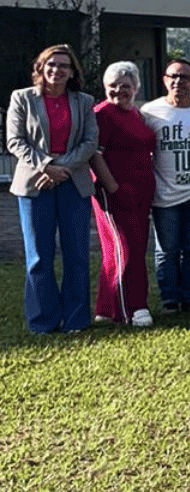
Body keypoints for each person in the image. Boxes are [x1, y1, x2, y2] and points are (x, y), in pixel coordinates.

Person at [9, 46, 99, 333]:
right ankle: (43, 322)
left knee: (77, 254)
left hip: (73, 183)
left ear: (72, 71)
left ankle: (76, 320)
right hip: (35, 185)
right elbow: (15, 140)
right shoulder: (22, 98)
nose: (57, 70)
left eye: (63, 65)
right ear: (41, 67)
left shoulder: (83, 101)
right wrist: (47, 166)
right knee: (38, 256)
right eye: (51, 64)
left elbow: (89, 141)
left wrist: (63, 169)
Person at [81, 60, 155, 327]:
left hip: (141, 192)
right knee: (125, 249)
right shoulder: (102, 113)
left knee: (127, 249)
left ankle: (106, 308)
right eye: (112, 86)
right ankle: (131, 309)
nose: (118, 91)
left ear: (135, 87)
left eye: (125, 86)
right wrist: (113, 188)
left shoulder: (136, 114)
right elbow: (94, 155)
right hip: (114, 192)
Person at [143, 59, 190, 316]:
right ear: (164, 80)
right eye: (173, 76)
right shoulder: (150, 112)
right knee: (167, 249)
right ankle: (169, 300)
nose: (178, 82)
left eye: (185, 77)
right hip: (164, 193)